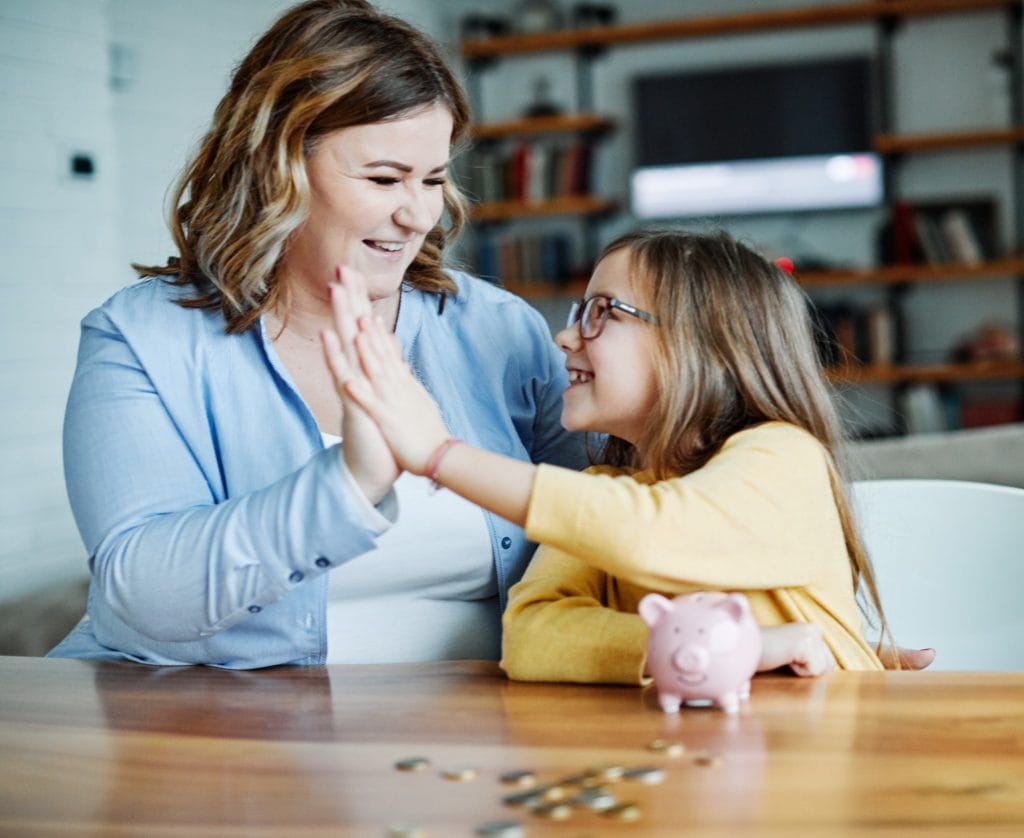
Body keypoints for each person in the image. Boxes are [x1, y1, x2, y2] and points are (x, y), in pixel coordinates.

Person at [49, 0, 587, 668]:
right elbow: (142, 594)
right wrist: (349, 484)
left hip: (475, 749)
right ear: (277, 166)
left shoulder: (498, 328)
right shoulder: (140, 339)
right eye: (385, 178)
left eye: (434, 179)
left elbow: (600, 525)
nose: (419, 213)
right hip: (205, 740)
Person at [325, 228, 916, 682]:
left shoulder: (785, 457)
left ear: (706, 346)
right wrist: (716, 648)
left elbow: (657, 534)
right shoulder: (609, 489)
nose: (566, 336)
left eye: (602, 312)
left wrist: (441, 454)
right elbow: (532, 634)